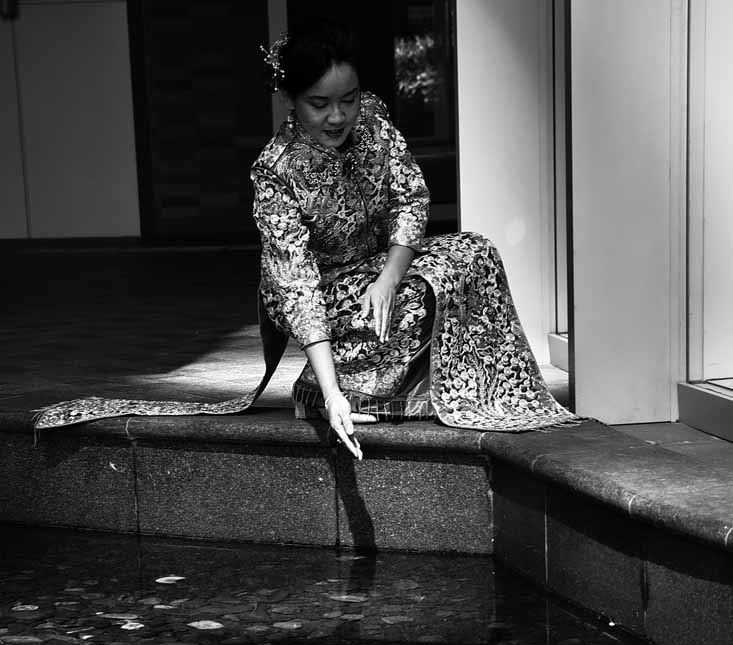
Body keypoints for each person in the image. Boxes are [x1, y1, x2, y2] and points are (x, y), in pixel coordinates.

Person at [33, 22, 577, 444]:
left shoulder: (374, 121)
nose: (338, 116)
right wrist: (335, 394)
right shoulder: (277, 171)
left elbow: (410, 197)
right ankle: (328, 388)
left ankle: (463, 388)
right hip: (320, 289)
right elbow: (295, 283)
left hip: (374, 270)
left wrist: (389, 277)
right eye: (320, 104)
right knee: (416, 299)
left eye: (348, 98)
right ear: (290, 100)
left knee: (473, 253)